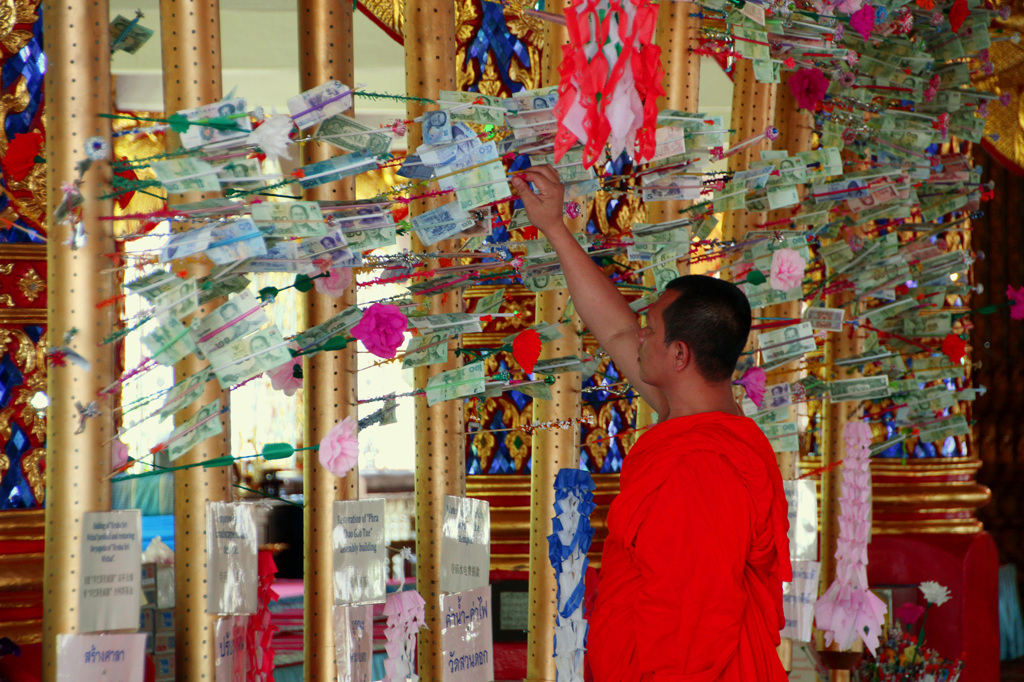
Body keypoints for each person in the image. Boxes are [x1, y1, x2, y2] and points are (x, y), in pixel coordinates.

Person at [511, 165, 791, 682]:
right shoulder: (688, 414)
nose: (639, 336)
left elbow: (692, 626)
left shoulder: (702, 466)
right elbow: (615, 328)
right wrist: (554, 228)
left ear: (679, 355)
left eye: (652, 330)